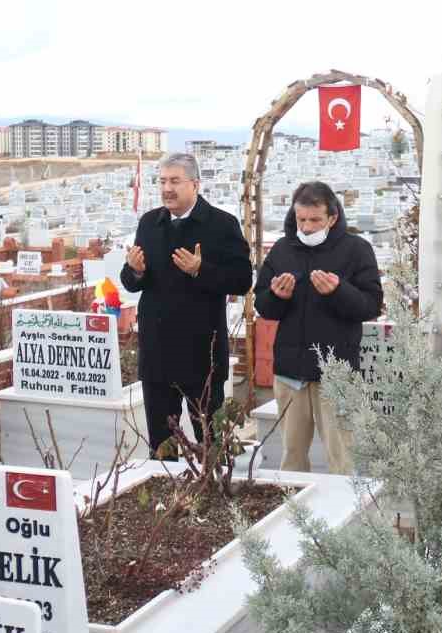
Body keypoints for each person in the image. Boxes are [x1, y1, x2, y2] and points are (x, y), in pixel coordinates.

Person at [121, 153, 252, 455]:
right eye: (163, 181)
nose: (167, 188)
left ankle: (213, 496)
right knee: (162, 445)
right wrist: (135, 271)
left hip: (201, 356)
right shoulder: (150, 223)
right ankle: (169, 499)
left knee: (211, 441)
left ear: (195, 184)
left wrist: (199, 270)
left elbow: (242, 280)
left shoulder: (221, 224)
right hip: (157, 355)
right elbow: (131, 282)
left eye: (175, 181)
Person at [251, 181, 383, 473]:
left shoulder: (357, 250)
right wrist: (277, 296)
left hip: (336, 373)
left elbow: (371, 305)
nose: (307, 227)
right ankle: (292, 514)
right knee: (291, 456)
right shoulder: (282, 249)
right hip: (290, 372)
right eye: (301, 220)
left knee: (342, 457)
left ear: (332, 218)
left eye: (315, 220)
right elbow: (264, 305)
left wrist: (339, 291)